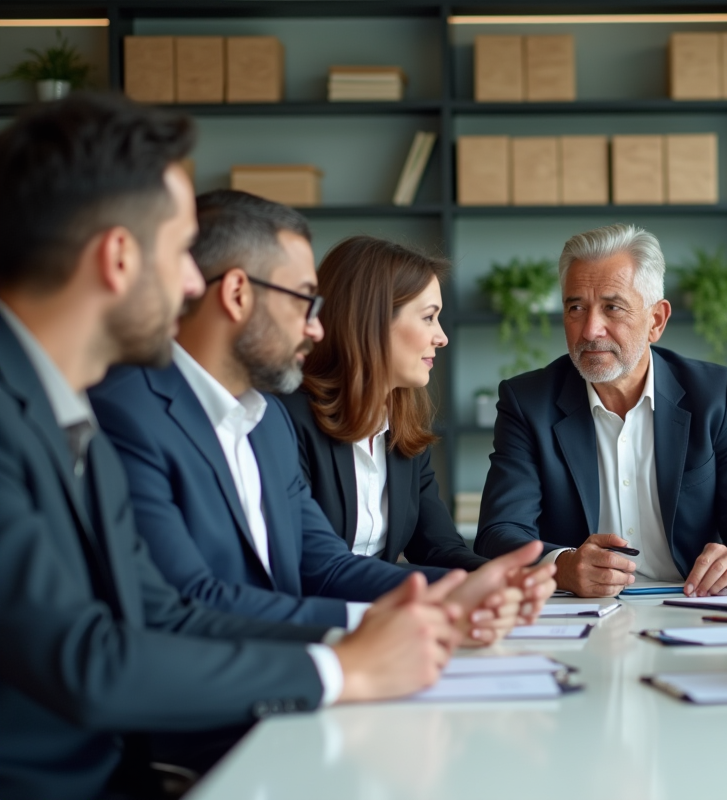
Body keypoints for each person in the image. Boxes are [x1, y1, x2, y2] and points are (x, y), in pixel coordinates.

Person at [0, 93, 465, 799]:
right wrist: (344, 667)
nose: (196, 282)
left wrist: (389, 628)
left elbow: (163, 615)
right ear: (118, 258)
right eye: (179, 253)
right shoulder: (70, 412)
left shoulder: (66, 408)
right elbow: (90, 662)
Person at [90, 190, 554, 643]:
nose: (315, 327)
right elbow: (188, 602)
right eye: (302, 300)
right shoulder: (129, 412)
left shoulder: (263, 421)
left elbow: (326, 565)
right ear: (236, 294)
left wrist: (468, 591)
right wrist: (395, 625)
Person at [474, 223, 727, 598]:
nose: (590, 329)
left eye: (612, 307)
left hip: (691, 604)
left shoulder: (712, 395)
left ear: (656, 320)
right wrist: (561, 566)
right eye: (576, 307)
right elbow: (498, 533)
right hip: (579, 611)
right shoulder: (529, 402)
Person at [278, 235, 486, 572]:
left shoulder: (404, 426)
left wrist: (503, 577)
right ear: (371, 320)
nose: (442, 337)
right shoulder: (286, 420)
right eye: (428, 317)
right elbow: (311, 566)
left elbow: (439, 547)